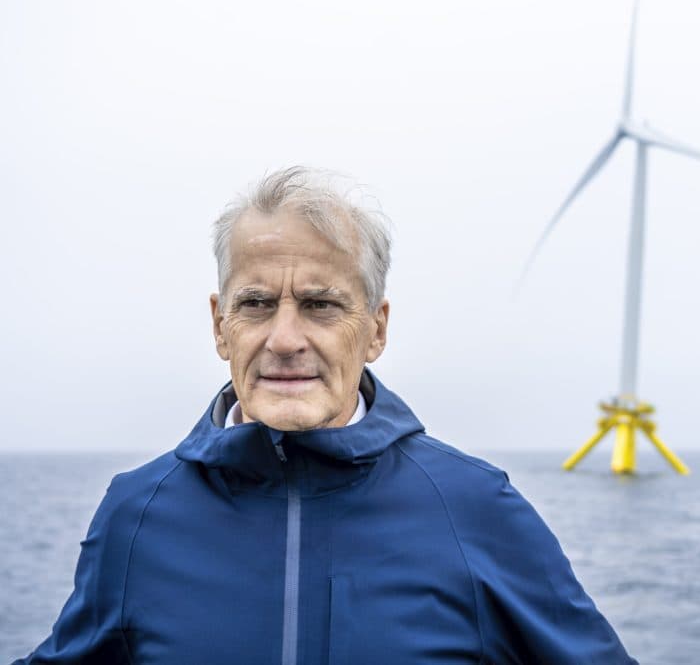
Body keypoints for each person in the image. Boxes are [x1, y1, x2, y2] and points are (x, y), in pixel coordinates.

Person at [16, 166, 635, 665]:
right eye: (256, 304)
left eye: (320, 304)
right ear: (219, 326)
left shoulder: (475, 508)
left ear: (375, 330)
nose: (285, 339)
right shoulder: (138, 514)